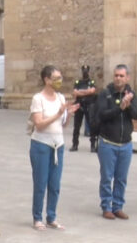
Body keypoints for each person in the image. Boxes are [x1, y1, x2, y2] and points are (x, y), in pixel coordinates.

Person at [30, 66, 79, 230]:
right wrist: (58, 114)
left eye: (60, 77)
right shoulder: (38, 98)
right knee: (40, 183)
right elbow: (39, 124)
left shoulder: (60, 97)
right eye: (56, 78)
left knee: (55, 183)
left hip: (58, 145)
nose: (59, 81)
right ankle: (37, 217)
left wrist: (69, 113)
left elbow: (63, 124)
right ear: (47, 79)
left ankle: (51, 216)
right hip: (41, 145)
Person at [95, 64, 137, 220]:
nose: (118, 78)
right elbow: (102, 115)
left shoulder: (131, 94)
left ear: (127, 77)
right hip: (108, 142)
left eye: (121, 76)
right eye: (116, 75)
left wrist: (128, 107)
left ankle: (118, 206)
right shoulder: (106, 94)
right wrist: (119, 108)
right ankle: (106, 206)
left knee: (121, 178)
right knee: (107, 177)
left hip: (125, 144)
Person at [70, 64, 98, 152]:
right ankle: (75, 144)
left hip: (89, 105)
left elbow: (92, 91)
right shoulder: (78, 82)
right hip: (79, 105)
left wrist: (80, 92)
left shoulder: (91, 82)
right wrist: (86, 92)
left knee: (92, 126)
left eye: (86, 71)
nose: (85, 72)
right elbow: (75, 93)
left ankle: (93, 145)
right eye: (84, 71)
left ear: (88, 72)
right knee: (76, 126)